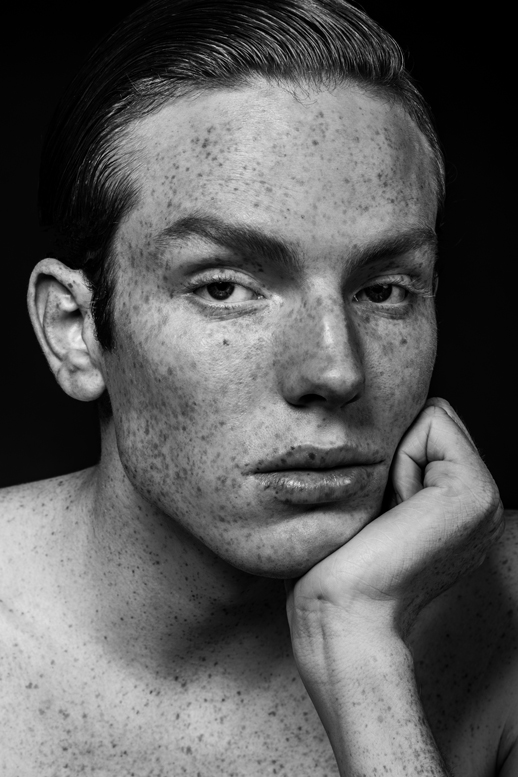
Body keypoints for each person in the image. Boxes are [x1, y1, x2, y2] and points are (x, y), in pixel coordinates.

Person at [0, 0, 516, 774]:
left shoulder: (506, 617)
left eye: (383, 290)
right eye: (226, 287)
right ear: (74, 330)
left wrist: (358, 647)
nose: (336, 371)